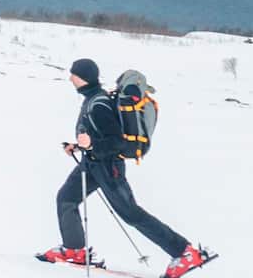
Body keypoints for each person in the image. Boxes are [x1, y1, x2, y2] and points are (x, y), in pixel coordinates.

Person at [39, 59, 216, 278]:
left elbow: (117, 142)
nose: (70, 78)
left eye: (73, 74)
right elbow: (97, 134)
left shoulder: (99, 103)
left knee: (130, 213)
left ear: (82, 77)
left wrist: (92, 145)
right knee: (66, 198)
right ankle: (74, 251)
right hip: (92, 162)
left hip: (107, 166)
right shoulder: (93, 99)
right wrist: (78, 146)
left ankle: (185, 252)